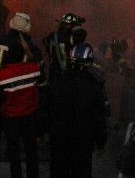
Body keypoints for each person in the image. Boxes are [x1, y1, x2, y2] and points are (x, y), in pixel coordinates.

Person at [47, 43, 108, 178]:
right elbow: (98, 117)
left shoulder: (58, 82)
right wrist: (101, 140)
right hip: (83, 140)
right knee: (81, 171)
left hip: (59, 137)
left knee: (58, 170)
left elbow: (48, 109)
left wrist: (42, 131)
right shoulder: (94, 87)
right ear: (89, 62)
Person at [0, 12, 42, 178]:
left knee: (13, 149)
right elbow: (39, 75)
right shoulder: (32, 47)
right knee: (31, 149)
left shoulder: (4, 43)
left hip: (10, 106)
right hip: (29, 106)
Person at [42, 13, 85, 82]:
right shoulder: (71, 37)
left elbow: (45, 42)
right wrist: (78, 24)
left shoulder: (52, 36)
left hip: (54, 73)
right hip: (67, 74)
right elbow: (82, 34)